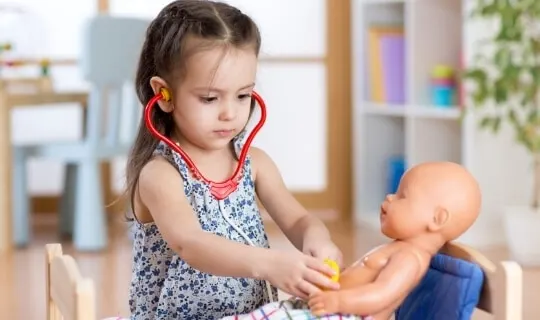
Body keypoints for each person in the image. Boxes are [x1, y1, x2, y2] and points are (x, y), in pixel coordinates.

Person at [124, 1, 342, 319]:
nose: (230, 112)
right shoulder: (161, 174)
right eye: (210, 98)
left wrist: (318, 241)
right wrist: (270, 263)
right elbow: (190, 242)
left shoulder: (255, 164)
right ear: (164, 94)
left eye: (242, 95)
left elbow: (298, 221)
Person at [228, 161, 482, 320]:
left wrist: (337, 300)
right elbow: (364, 280)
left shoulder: (410, 258)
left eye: (403, 195)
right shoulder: (400, 248)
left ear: (437, 219)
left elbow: (382, 294)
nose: (390, 197)